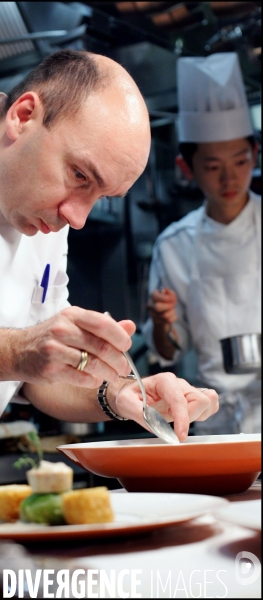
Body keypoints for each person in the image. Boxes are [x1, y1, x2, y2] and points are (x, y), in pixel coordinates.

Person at [0, 49, 218, 520]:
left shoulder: (45, 220)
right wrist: (17, 351)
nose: (77, 217)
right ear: (24, 115)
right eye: (79, 176)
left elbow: (39, 377)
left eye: (100, 196)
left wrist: (119, 395)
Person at [143, 52, 260, 435]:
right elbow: (170, 349)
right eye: (212, 166)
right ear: (187, 169)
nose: (230, 177)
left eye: (241, 161)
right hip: (216, 421)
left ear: (255, 155)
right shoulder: (174, 245)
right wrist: (163, 323)